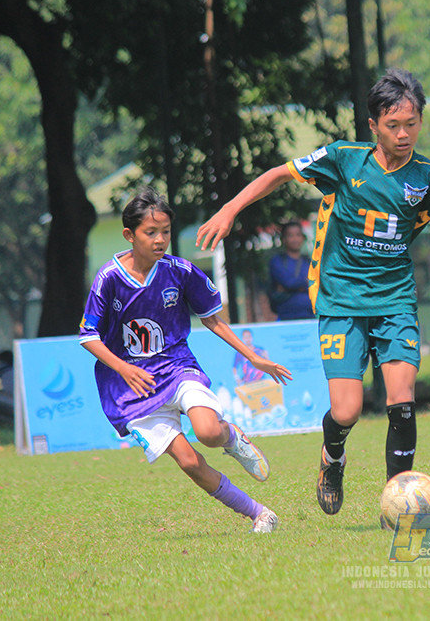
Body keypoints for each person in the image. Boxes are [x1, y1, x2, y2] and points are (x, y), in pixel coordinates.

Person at [196, 68, 430, 524]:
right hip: (342, 301)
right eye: (393, 125)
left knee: (401, 401)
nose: (404, 134)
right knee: (346, 411)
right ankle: (332, 458)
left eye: (412, 124)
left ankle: (397, 503)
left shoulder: (429, 177)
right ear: (374, 125)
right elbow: (279, 175)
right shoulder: (345, 159)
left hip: (396, 301)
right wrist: (229, 209)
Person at [79, 188, 293, 534]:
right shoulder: (109, 277)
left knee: (208, 432)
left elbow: (213, 318)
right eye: (151, 232)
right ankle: (259, 514)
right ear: (129, 235)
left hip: (176, 367)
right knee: (190, 462)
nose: (160, 239)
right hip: (132, 387)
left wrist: (254, 357)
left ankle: (231, 438)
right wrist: (123, 368)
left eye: (165, 232)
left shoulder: (181, 272)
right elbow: (88, 335)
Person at [267, 221, 314, 321]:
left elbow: (316, 285)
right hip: (286, 318)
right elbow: (289, 283)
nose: (295, 239)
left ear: (303, 238)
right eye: (290, 235)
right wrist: (306, 281)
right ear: (284, 239)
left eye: (298, 235)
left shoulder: (309, 262)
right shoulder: (277, 261)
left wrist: (292, 286)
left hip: (310, 317)